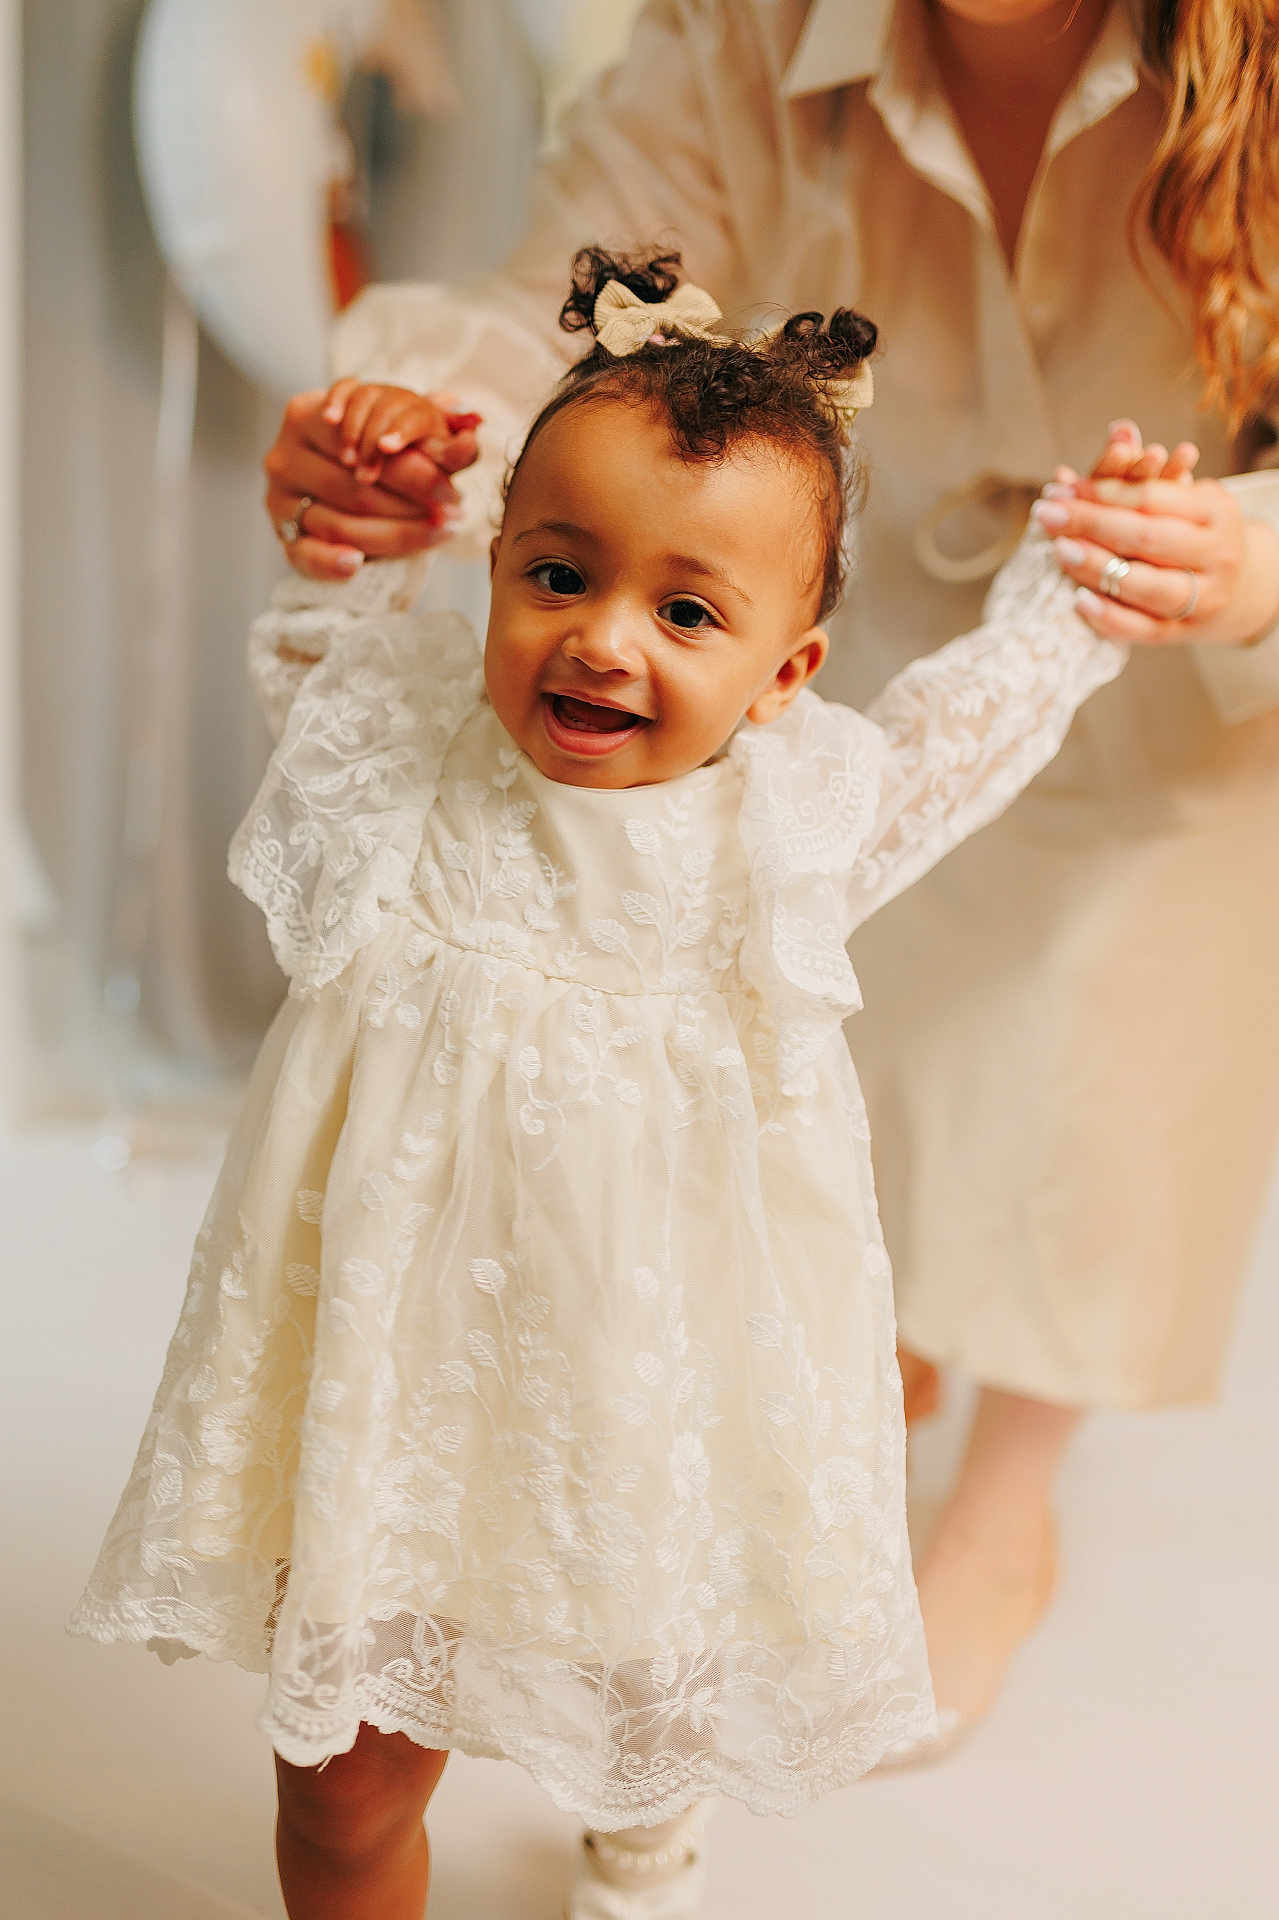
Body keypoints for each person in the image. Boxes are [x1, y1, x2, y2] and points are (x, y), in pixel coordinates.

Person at [72, 247, 1160, 1920]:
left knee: (649, 1670)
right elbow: (318, 659)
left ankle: (650, 1823)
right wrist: (364, 518)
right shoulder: (408, 746)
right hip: (395, 1378)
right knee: (343, 1799)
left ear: (785, 677)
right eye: (559, 575)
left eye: (689, 612)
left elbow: (962, 733)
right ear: (495, 566)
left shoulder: (780, 827)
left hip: (653, 1374)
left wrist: (1075, 584)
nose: (601, 644)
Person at [260, 0, 1279, 1743]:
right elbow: (557, 294)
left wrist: (1245, 556)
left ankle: (1008, 1496)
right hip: (792, 620)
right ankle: (870, 1336)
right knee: (805, 1028)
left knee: (1101, 1052)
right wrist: (420, 444)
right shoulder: (748, 28)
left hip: (1184, 634)